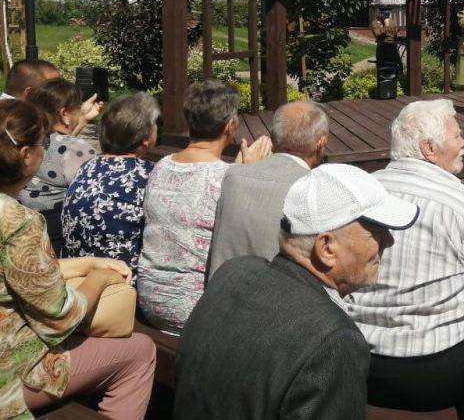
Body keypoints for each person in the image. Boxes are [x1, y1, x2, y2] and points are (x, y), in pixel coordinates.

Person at [174, 163, 419, 420]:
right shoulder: (335, 340)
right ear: (326, 248)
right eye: (377, 230)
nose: (389, 241)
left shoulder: (234, 272)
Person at [344, 99, 464, 417]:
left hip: (358, 360)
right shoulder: (462, 204)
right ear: (429, 148)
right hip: (436, 370)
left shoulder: (361, 192)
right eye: (457, 135)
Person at [0, 99, 155, 420]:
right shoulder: (18, 221)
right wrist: (100, 278)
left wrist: (85, 264)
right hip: (9, 374)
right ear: (26, 155)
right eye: (44, 144)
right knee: (140, 350)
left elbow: (15, 273)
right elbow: (60, 318)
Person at [137, 80, 271, 334]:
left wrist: (239, 173)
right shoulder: (228, 177)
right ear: (231, 125)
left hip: (150, 297)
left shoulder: (163, 165)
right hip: (195, 307)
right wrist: (251, 175)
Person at [208, 100, 330, 277]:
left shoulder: (233, 177)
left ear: (272, 138)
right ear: (321, 144)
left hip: (221, 295)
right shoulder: (315, 188)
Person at [61, 92, 161, 278]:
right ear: (146, 138)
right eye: (155, 124)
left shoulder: (88, 166)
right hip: (120, 280)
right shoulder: (150, 174)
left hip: (75, 272)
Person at [20, 78, 98, 254]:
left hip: (26, 233)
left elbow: (58, 147)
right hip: (58, 241)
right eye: (77, 111)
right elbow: (93, 199)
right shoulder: (76, 148)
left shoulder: (27, 139)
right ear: (64, 113)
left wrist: (81, 120)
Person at [2, 59, 102, 134]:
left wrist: (81, 118)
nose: (60, 91)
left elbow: (59, 149)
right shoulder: (18, 121)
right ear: (29, 92)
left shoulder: (13, 113)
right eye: (52, 87)